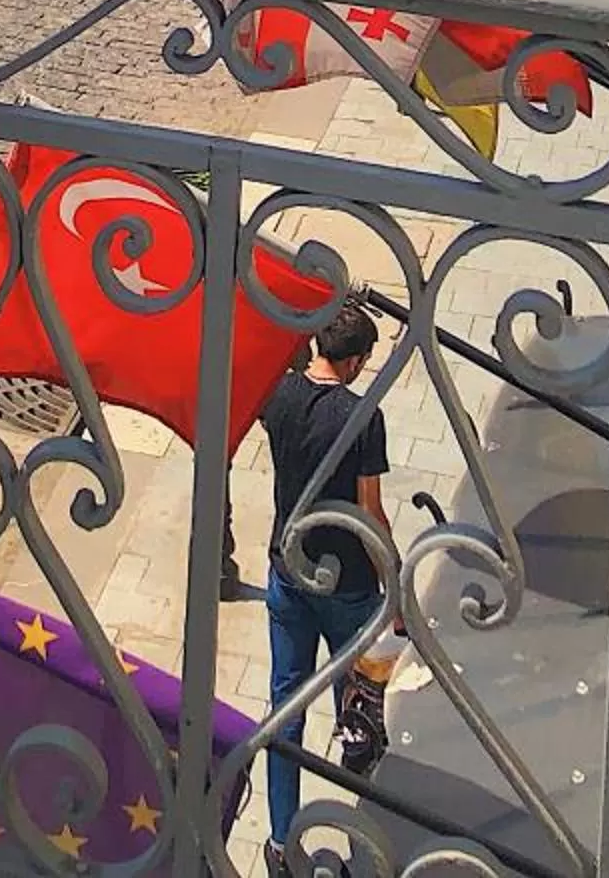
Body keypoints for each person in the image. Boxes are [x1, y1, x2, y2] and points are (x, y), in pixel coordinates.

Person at [260, 297, 390, 839]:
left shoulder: (278, 396)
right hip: (348, 584)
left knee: (285, 708)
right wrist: (394, 580)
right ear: (355, 361)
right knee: (359, 703)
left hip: (288, 571)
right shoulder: (362, 418)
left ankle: (280, 838)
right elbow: (370, 509)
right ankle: (364, 815)